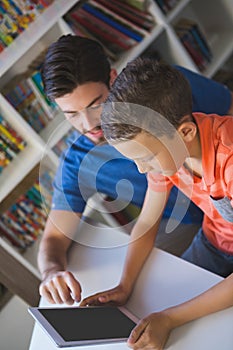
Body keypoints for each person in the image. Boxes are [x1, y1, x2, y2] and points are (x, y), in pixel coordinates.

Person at [38, 34, 233, 305]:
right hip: (197, 227)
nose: (89, 123)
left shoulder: (162, 87)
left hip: (214, 205)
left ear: (113, 80)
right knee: (156, 296)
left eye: (96, 105)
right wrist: (53, 273)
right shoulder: (81, 160)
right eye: (71, 114)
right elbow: (55, 236)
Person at [80, 58, 233, 349]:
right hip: (216, 242)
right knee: (162, 311)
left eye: (146, 159)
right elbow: (148, 219)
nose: (141, 170)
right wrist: (125, 285)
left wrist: (170, 318)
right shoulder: (170, 148)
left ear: (185, 132)